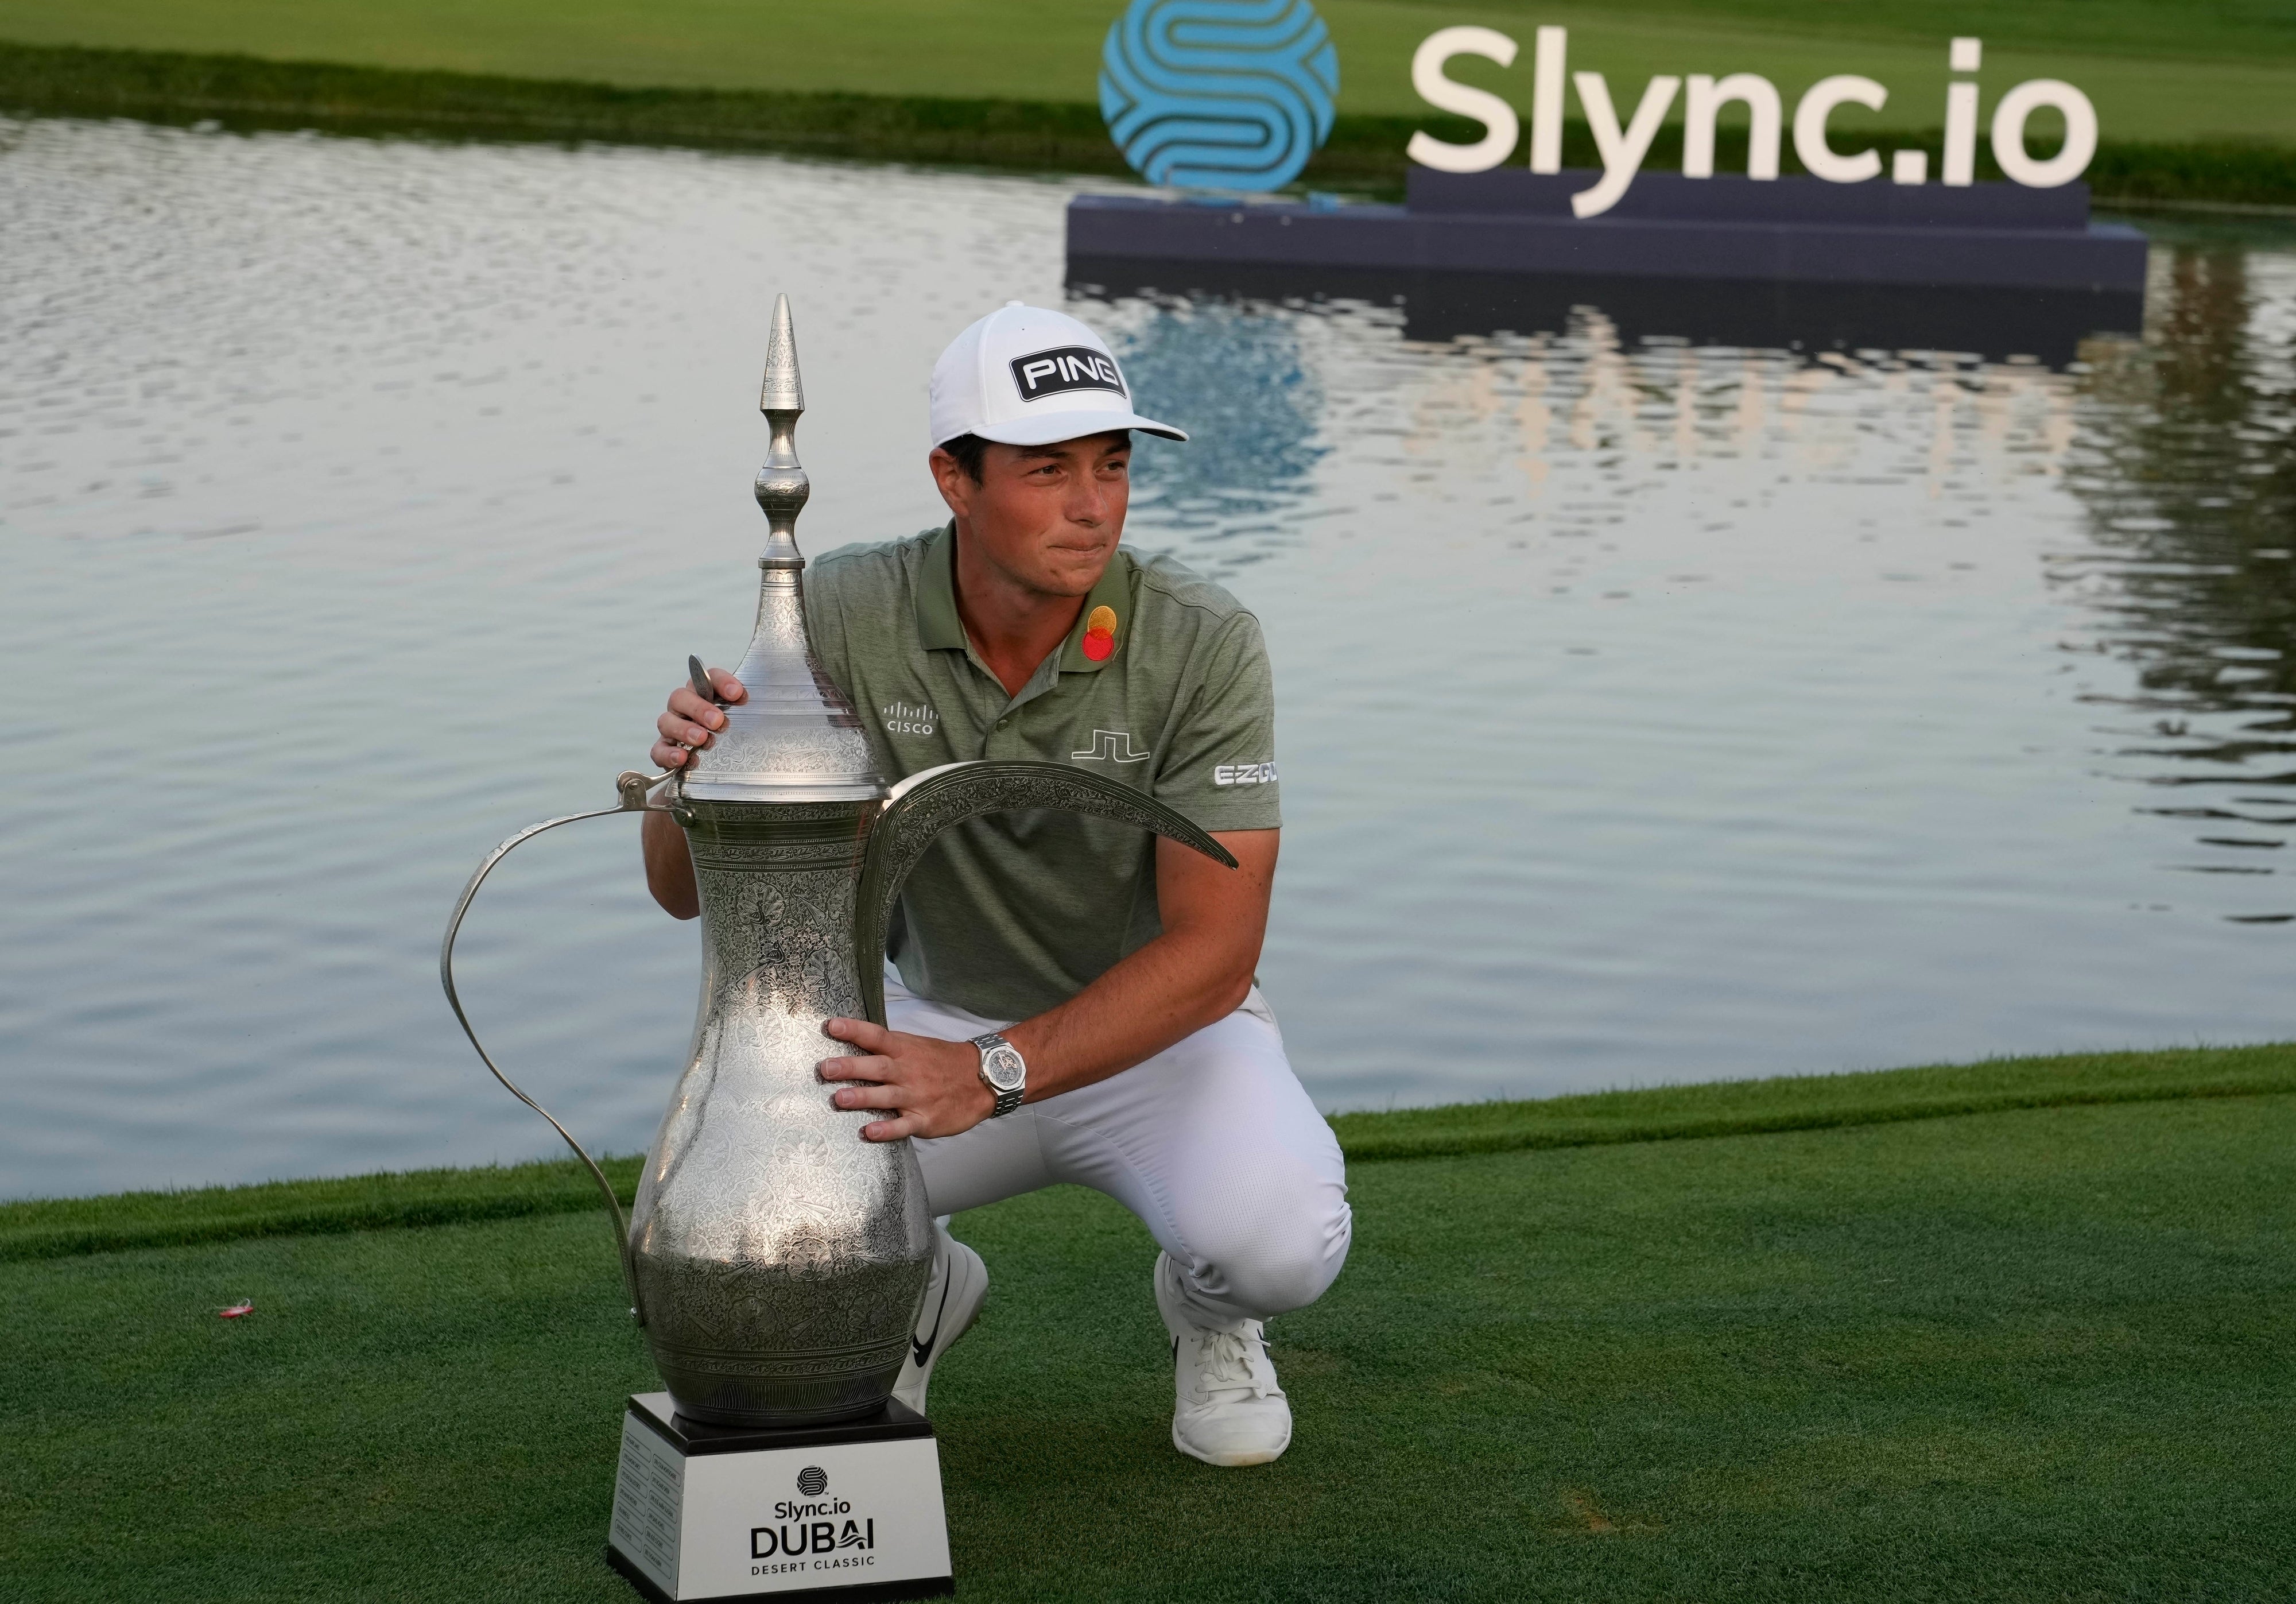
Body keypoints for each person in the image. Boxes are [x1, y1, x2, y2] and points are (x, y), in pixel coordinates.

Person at [638, 302, 1350, 1467]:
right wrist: (690, 776)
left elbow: (1216, 954)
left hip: (1158, 1038)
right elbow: (684, 893)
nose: (1092, 503)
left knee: (1278, 1239)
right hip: (922, 1022)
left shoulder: (1203, 638)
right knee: (747, 1198)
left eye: (1113, 465)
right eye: (1048, 468)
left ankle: (1211, 1314)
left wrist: (995, 1071)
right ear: (953, 481)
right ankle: (918, 1277)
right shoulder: (843, 610)